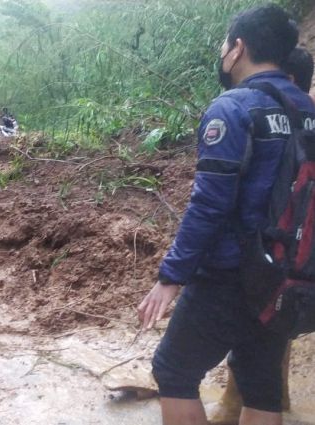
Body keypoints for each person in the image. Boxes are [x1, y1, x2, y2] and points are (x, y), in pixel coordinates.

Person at [137, 5, 315, 425]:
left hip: (230, 274)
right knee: (262, 384)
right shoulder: (307, 111)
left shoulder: (233, 108)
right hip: (287, 273)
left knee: (173, 370)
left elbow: (210, 204)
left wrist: (171, 277)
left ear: (238, 48)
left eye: (225, 44)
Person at [207, 45, 315, 425]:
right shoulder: (305, 117)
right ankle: (269, 398)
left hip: (277, 251)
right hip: (301, 252)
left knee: (265, 312)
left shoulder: (277, 120)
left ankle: (238, 402)